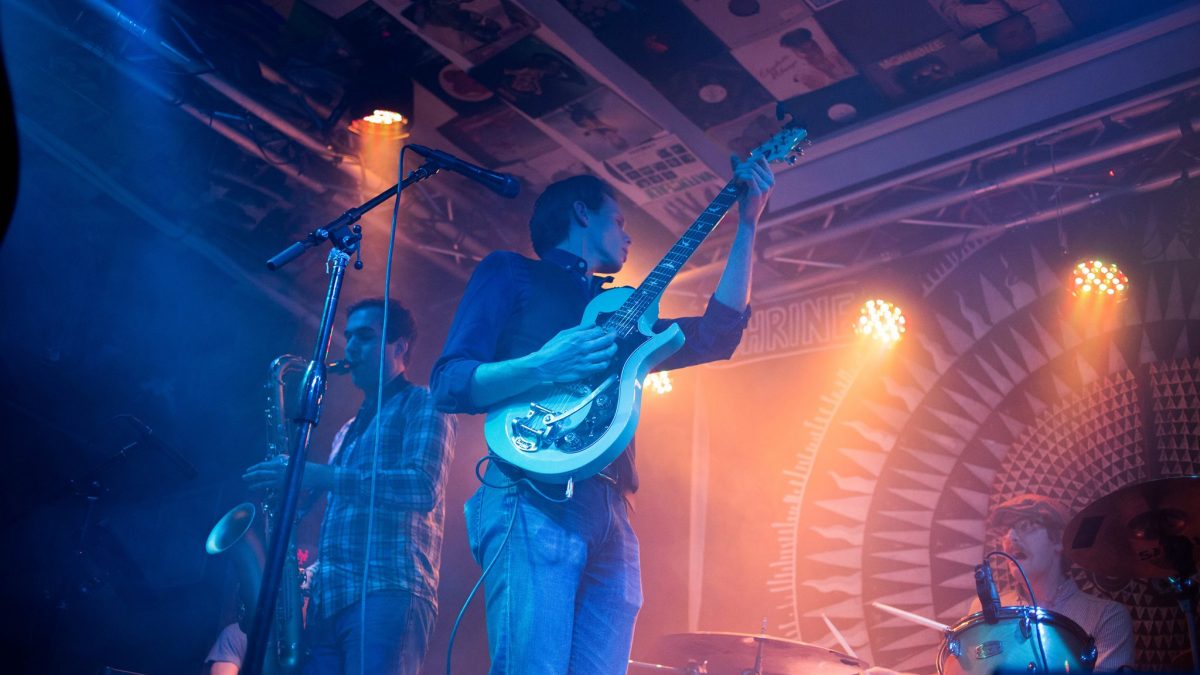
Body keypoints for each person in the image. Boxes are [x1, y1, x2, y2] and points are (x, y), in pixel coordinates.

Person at [431, 157, 774, 673]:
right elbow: (448, 381)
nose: (629, 235)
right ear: (581, 213)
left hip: (612, 507)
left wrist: (747, 224)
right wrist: (543, 364)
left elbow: (717, 334)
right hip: (530, 490)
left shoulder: (622, 312)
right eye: (618, 220)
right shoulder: (512, 272)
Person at [243, 298, 456, 675]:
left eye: (365, 337)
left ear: (400, 346)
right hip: (330, 602)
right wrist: (299, 581)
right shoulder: (346, 431)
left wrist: (316, 474)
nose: (351, 347)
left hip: (386, 589)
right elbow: (344, 528)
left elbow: (422, 487)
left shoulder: (424, 403)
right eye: (350, 336)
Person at [973, 494, 1136, 671]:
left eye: (1026, 525)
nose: (1010, 537)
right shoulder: (983, 609)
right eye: (1005, 531)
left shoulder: (1106, 617)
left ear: (1058, 540)